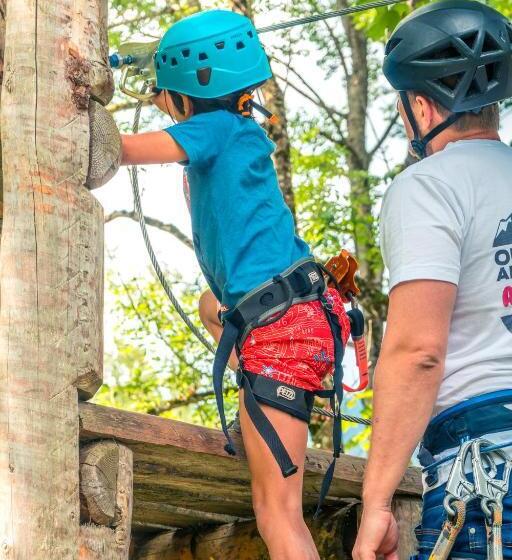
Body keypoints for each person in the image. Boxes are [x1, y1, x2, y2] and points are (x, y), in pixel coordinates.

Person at [120, 10, 351, 560]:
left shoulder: (214, 130)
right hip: (295, 317)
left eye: (165, 95)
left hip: (280, 329)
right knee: (211, 304)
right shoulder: (240, 131)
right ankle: (257, 379)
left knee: (278, 513)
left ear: (184, 96)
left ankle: (263, 383)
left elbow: (118, 150)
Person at [353, 1, 512, 559]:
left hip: (486, 461)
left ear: (420, 107)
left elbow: (418, 351)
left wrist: (376, 502)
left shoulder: (428, 186)